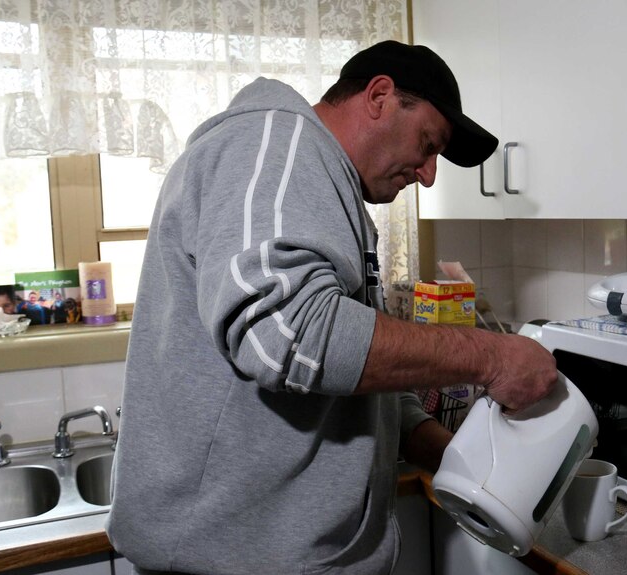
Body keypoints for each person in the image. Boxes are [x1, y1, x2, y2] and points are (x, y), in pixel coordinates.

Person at [107, 40, 558, 575]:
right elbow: (289, 334)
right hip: (236, 562)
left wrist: (436, 444)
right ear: (380, 95)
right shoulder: (273, 146)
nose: (429, 174)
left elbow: (336, 372)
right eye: (428, 144)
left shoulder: (318, 180)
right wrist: (493, 358)